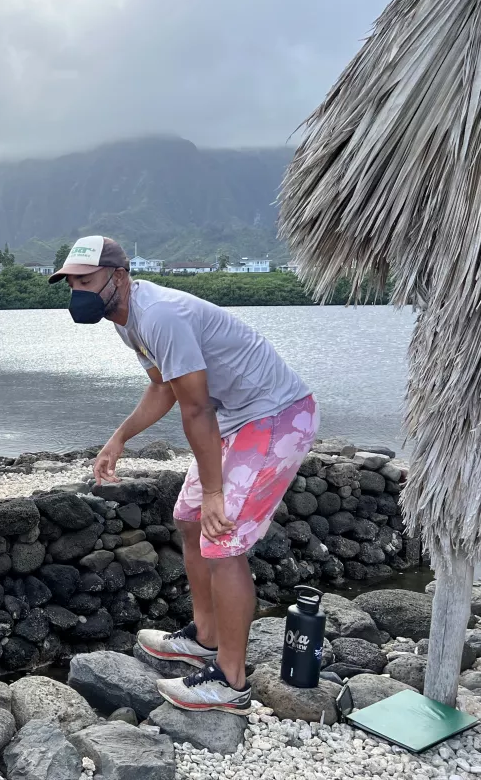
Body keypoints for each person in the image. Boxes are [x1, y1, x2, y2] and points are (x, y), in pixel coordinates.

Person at [49, 235, 318, 715]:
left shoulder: (162, 316)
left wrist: (216, 491)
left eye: (86, 281)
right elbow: (164, 390)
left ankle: (230, 682)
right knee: (190, 518)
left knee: (222, 538)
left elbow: (195, 408)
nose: (78, 292)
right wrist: (120, 437)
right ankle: (205, 637)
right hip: (237, 420)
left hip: (274, 416)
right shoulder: (127, 321)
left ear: (119, 276)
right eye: (71, 283)